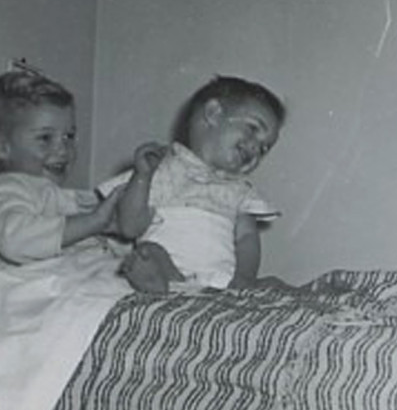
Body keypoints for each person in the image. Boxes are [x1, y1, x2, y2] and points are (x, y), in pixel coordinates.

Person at [114, 75, 285, 293]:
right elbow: (129, 227)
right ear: (213, 113)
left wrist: (244, 278)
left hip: (221, 282)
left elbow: (247, 239)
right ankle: (169, 285)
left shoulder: (239, 191)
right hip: (165, 267)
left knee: (274, 286)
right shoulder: (163, 168)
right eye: (252, 128)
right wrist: (142, 177)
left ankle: (188, 293)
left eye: (264, 148)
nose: (256, 148)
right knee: (149, 252)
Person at [0, 67, 125, 268]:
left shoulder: (61, 197)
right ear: (2, 146)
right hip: (37, 288)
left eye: (69, 136)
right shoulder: (7, 190)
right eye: (45, 138)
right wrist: (93, 222)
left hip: (83, 281)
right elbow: (14, 241)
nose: (63, 150)